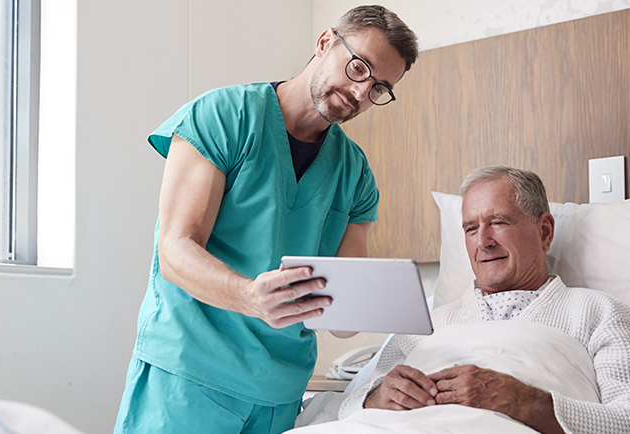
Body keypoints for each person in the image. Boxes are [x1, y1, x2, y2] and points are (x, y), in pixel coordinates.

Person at [113, 6, 419, 434]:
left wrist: (382, 306)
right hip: (189, 375)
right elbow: (175, 251)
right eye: (358, 67)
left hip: (280, 394)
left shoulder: (355, 174)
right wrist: (249, 296)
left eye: (380, 87)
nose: (361, 92)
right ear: (324, 42)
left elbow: (345, 319)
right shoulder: (224, 116)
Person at [338, 166, 630, 434]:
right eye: (470, 228)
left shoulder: (600, 313)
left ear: (545, 232)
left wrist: (522, 401)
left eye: (498, 222)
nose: (483, 241)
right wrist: (377, 397)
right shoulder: (425, 323)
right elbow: (348, 406)